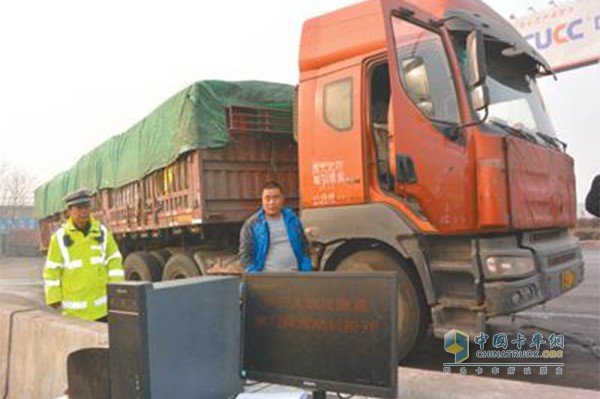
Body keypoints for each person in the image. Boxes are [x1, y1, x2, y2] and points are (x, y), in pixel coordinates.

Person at [43, 189, 125, 322]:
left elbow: (114, 261)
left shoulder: (102, 233)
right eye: (79, 208)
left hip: (102, 309)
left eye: (87, 207)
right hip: (74, 313)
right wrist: (53, 297)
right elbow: (52, 269)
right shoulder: (59, 238)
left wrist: (118, 288)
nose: (84, 212)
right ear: (69, 211)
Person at [239, 181, 312, 273]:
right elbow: (245, 255)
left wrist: (306, 269)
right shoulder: (252, 224)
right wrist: (256, 277)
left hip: (295, 276)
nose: (271, 202)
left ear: (282, 199)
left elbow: (304, 246)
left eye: (276, 197)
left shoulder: (293, 220)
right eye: (267, 198)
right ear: (262, 200)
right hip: (267, 278)